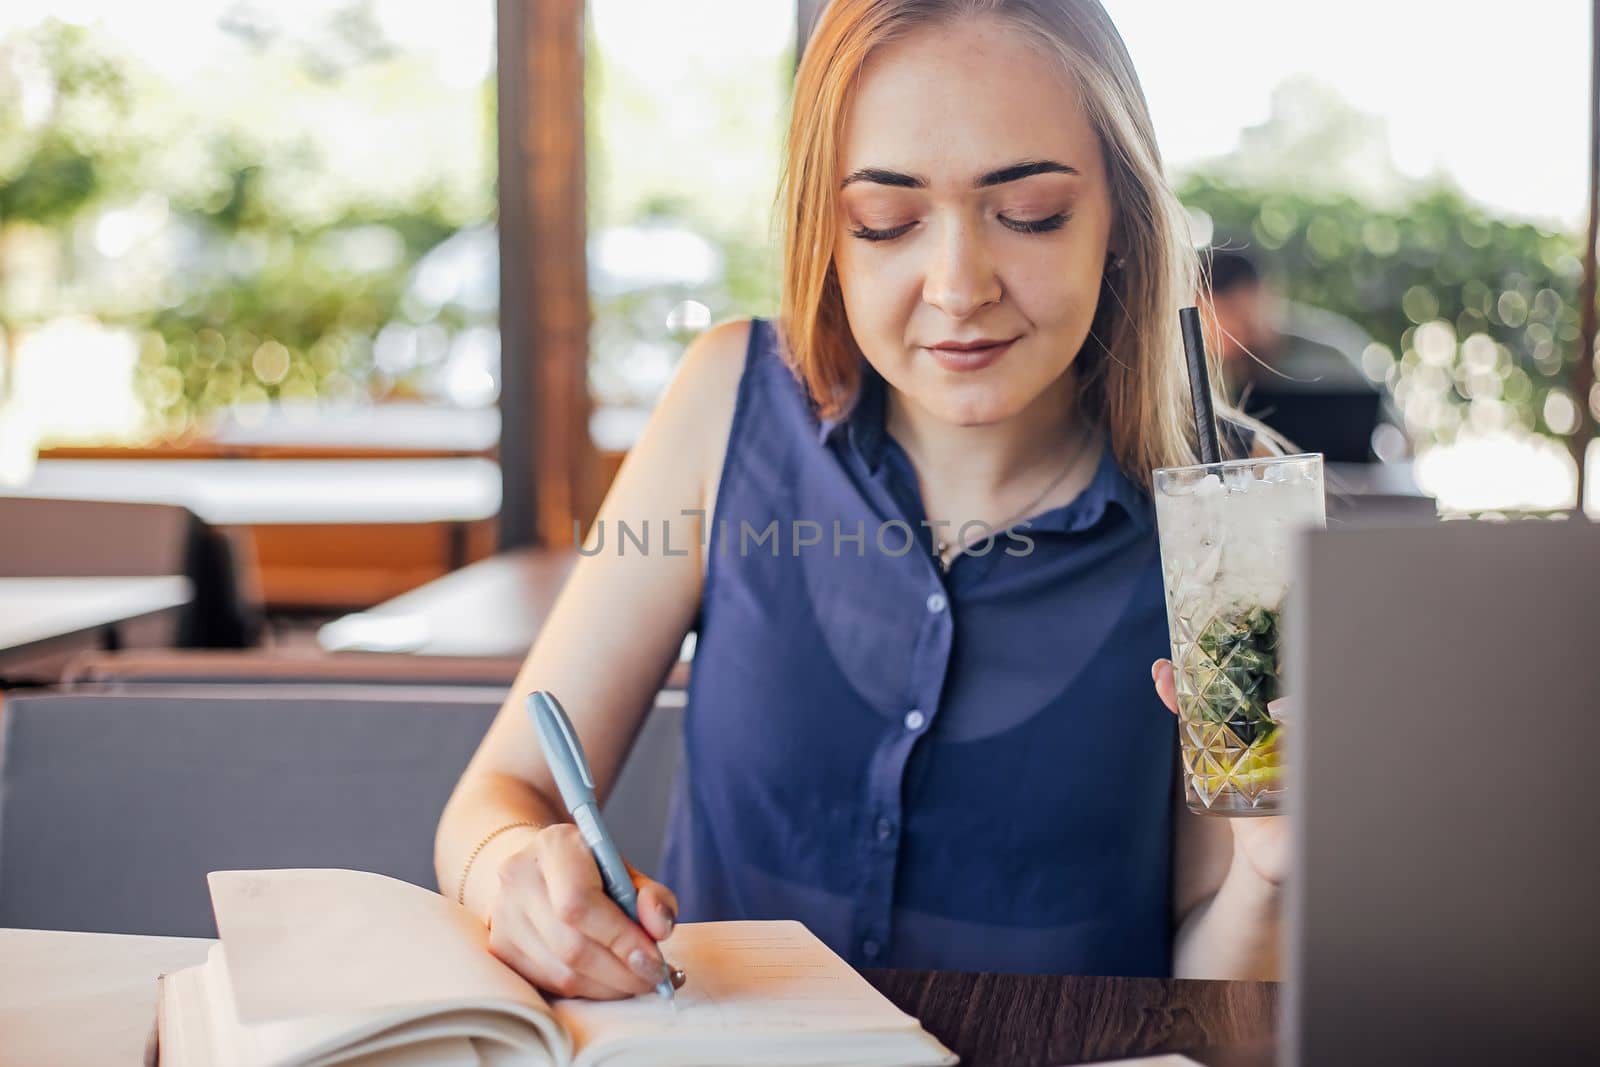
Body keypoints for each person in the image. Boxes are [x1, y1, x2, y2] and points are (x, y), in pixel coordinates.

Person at [435, 0, 1285, 1000]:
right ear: (824, 232)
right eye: (886, 221)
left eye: (1031, 214)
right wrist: (516, 874)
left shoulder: (1235, 517)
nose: (959, 285)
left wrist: (1271, 876)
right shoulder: (726, 403)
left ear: (1120, 225)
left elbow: (1217, 995)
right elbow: (500, 794)